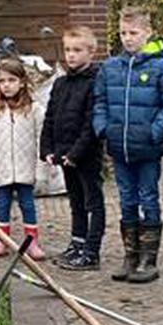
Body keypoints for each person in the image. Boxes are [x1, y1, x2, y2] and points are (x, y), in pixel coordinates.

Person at [92, 7, 163, 285]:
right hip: (120, 146)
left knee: (148, 197)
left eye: (133, 33)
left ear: (147, 33)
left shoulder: (161, 67)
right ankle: (130, 254)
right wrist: (103, 129)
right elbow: (100, 101)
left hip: (147, 148)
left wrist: (154, 132)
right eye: (123, 33)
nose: (128, 38)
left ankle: (148, 258)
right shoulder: (110, 68)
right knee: (126, 199)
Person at [42, 26, 105, 271]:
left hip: (86, 156)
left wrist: (76, 153)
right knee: (75, 201)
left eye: (77, 50)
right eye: (68, 50)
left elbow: (91, 124)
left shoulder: (95, 83)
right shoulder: (60, 83)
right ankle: (77, 242)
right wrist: (47, 148)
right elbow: (50, 117)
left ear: (91, 52)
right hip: (64, 154)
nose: (71, 55)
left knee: (93, 202)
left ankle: (91, 251)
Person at [0, 57, 47, 260]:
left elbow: (43, 140)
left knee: (28, 204)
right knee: (2, 204)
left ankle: (31, 242)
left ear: (22, 82)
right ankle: (2, 240)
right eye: (2, 81)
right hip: (1, 166)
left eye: (12, 80)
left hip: (26, 167)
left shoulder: (35, 109)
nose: (6, 85)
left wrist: (42, 169)